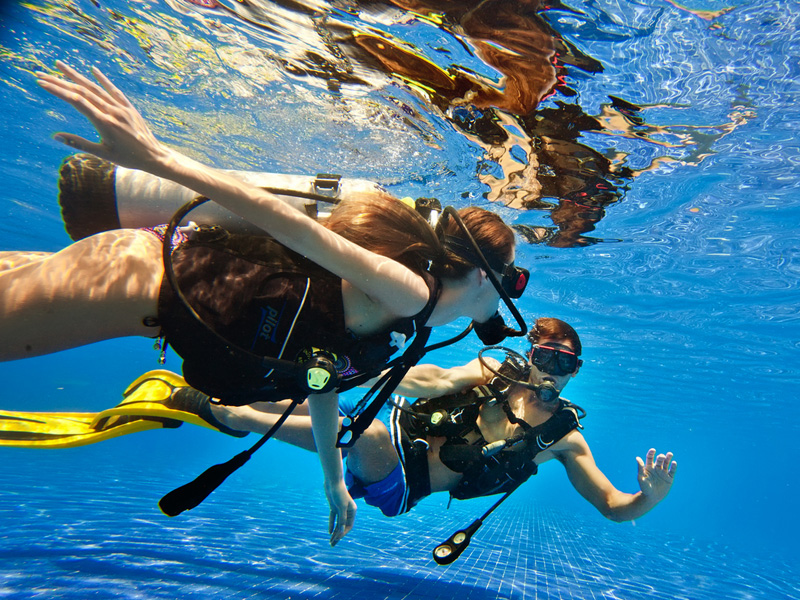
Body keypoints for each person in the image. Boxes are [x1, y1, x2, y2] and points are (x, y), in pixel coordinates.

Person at [0, 61, 524, 544]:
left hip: (139, 279)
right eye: (514, 280)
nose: (513, 294)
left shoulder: (408, 323)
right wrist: (158, 158)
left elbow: (320, 377)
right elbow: (292, 226)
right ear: (485, 276)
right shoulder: (411, 294)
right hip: (133, 283)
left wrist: (332, 481)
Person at [3, 318, 676, 552]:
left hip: (395, 482)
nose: (553, 372)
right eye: (547, 356)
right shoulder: (485, 372)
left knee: (364, 430)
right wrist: (407, 373)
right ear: (529, 353)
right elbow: (425, 379)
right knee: (320, 405)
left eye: (567, 365)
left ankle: (227, 415)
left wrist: (648, 497)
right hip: (379, 429)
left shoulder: (564, 437)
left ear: (575, 374)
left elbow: (613, 508)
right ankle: (222, 402)